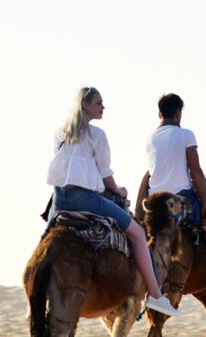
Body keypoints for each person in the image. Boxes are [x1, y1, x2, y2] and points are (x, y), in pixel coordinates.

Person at [46, 86, 177, 317]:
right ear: (85, 105)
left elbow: (63, 169)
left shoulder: (60, 132)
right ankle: (156, 295)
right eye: (98, 103)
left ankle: (32, 303)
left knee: (47, 237)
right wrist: (120, 191)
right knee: (137, 232)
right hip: (84, 199)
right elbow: (105, 174)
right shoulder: (97, 135)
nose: (103, 107)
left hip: (60, 198)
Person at [136, 93, 206, 308]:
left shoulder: (150, 139)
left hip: (155, 203)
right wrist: (205, 204)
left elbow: (151, 173)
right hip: (179, 202)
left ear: (160, 114)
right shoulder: (186, 134)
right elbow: (196, 171)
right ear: (178, 114)